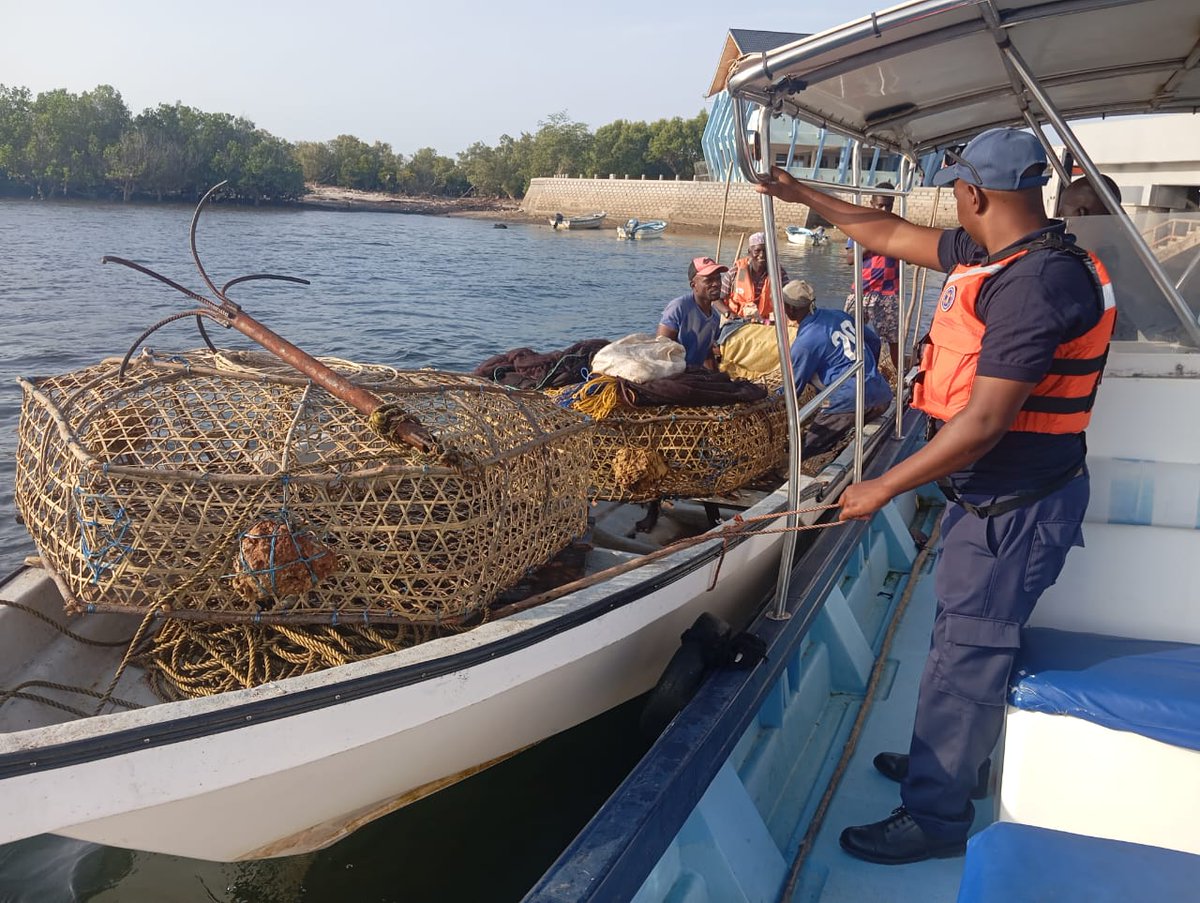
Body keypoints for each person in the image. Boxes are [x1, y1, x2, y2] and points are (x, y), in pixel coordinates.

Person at [758, 127, 1116, 865]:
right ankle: (947, 766)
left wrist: (882, 485)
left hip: (1014, 509)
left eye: (956, 188)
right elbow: (888, 233)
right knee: (960, 641)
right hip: (990, 500)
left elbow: (985, 420)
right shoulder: (1000, 252)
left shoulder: (1036, 284)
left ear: (977, 193)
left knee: (969, 651)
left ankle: (937, 814)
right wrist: (802, 194)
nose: (953, 201)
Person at [781, 279, 892, 454]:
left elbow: (793, 388)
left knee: (804, 450)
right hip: (882, 395)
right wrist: (869, 374)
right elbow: (874, 342)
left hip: (848, 400)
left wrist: (775, 402)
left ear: (791, 309)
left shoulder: (804, 343)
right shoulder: (840, 315)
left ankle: (795, 471)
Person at [843, 182, 902, 367]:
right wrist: (871, 242)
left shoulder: (899, 227)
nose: (884, 209)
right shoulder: (860, 227)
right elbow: (850, 259)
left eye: (888, 205)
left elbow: (910, 254)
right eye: (880, 205)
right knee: (849, 332)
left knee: (893, 339)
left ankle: (901, 377)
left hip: (888, 293)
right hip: (861, 290)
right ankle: (850, 371)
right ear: (871, 203)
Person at [657, 256, 726, 369]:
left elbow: (707, 353)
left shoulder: (714, 318)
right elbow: (661, 348)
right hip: (674, 372)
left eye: (718, 279)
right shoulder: (678, 308)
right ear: (694, 285)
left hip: (694, 373)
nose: (716, 284)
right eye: (709, 280)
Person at [718, 232, 789, 323]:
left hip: (766, 324)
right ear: (749, 252)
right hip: (737, 321)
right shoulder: (735, 272)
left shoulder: (779, 274)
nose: (762, 255)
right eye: (757, 251)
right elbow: (717, 298)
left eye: (766, 250)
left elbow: (788, 300)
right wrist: (728, 313)